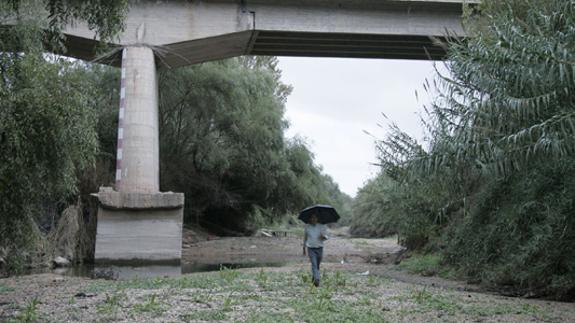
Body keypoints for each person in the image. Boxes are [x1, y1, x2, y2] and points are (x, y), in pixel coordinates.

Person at [303, 213, 329, 287]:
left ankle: (314, 278)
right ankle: (317, 279)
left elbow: (327, 237)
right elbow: (305, 238)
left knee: (317, 265)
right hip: (311, 248)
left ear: (317, 219)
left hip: (320, 248)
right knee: (314, 264)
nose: (313, 219)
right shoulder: (307, 227)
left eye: (315, 218)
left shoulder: (321, 226)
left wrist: (323, 237)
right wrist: (304, 248)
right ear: (310, 219)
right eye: (312, 218)